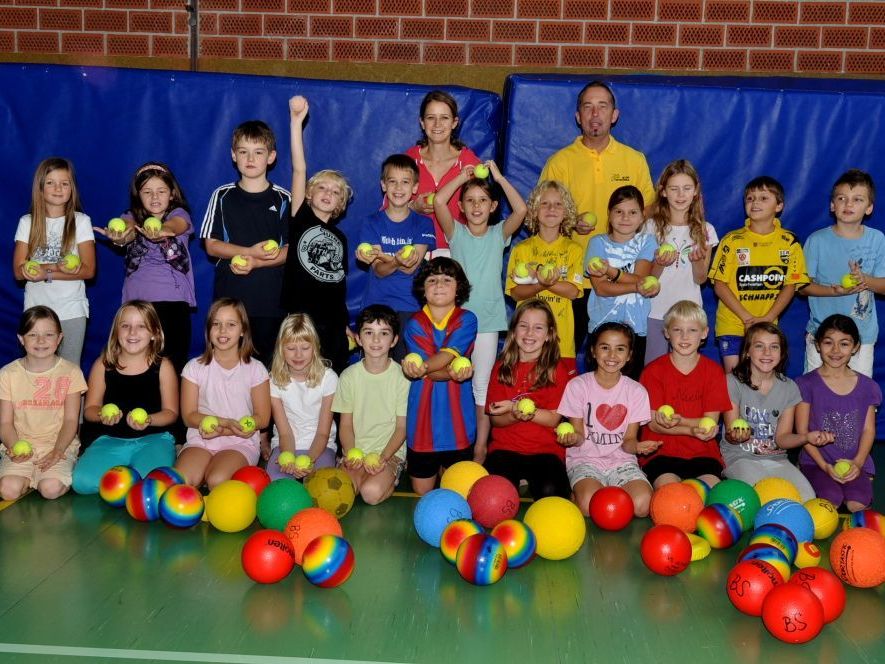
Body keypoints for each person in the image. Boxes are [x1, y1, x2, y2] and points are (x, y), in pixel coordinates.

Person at [539, 80, 655, 354]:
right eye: (587, 107)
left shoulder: (634, 159)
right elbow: (542, 212)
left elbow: (648, 208)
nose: (595, 114)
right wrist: (569, 222)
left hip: (623, 279)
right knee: (566, 353)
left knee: (620, 356)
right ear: (578, 116)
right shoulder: (560, 162)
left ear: (614, 115)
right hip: (573, 275)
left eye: (602, 106)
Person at [433, 160, 527, 462]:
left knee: (481, 386)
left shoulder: (499, 233)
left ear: (493, 205)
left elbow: (522, 210)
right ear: (460, 205)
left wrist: (498, 176)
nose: (476, 206)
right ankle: (448, 442)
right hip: (455, 322)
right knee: (446, 377)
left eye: (483, 201)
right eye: (470, 201)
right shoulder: (456, 233)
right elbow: (437, 200)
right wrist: (462, 176)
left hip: (486, 323)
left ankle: (480, 448)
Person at [200, 121, 290, 367]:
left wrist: (256, 263)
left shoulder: (284, 198)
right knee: (227, 369)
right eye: (243, 152)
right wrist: (248, 251)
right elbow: (211, 244)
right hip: (230, 304)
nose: (250, 158)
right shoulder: (222, 196)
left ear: (271, 157)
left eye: (258, 152)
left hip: (271, 303)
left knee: (267, 372)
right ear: (233, 155)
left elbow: (290, 251)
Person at [96, 162, 195, 373]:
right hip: (138, 305)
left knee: (172, 366)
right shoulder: (130, 216)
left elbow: (177, 225)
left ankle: (171, 407)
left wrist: (161, 230)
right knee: (139, 367)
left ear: (172, 193)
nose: (155, 197)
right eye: (147, 192)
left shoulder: (179, 213)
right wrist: (120, 237)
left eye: (161, 191)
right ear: (138, 195)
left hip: (173, 303)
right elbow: (128, 231)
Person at [73, 301, 179, 493]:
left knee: (155, 485)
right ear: (116, 332)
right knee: (82, 483)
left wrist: (149, 420)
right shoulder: (103, 364)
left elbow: (171, 412)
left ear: (154, 333)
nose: (132, 332)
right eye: (125, 326)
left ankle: (141, 473)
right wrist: (101, 415)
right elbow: (90, 409)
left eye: (141, 326)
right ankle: (124, 480)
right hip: (110, 439)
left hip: (154, 439)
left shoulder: (163, 367)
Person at [281, 95, 352, 374]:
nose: (328, 194)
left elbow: (338, 285)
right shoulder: (302, 218)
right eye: (322, 188)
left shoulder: (341, 240)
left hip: (332, 323)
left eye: (335, 192)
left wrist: (344, 322)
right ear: (309, 194)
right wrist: (296, 122)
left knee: (329, 382)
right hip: (302, 319)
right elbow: (300, 169)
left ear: (340, 205)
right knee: (299, 378)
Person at [708, 176, 809, 373]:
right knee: (736, 380)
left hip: (767, 326)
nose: (755, 202)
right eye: (750, 198)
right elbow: (719, 285)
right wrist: (747, 318)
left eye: (763, 198)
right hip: (733, 324)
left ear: (779, 206)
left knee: (763, 380)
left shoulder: (789, 242)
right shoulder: (732, 240)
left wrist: (768, 318)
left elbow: (791, 285)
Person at [558, 322, 658, 517]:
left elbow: (629, 442)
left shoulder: (636, 391)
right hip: (585, 460)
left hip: (622, 462)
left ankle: (609, 491)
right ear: (594, 351)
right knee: (589, 506)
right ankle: (579, 494)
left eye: (620, 349)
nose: (612, 356)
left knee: (643, 505)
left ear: (629, 355)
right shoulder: (577, 386)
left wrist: (637, 447)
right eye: (605, 348)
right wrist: (571, 438)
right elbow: (578, 435)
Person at [720, 322, 822, 502]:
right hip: (740, 458)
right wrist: (735, 435)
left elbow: (782, 438)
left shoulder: (789, 387)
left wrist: (805, 437)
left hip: (777, 460)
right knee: (768, 497)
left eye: (774, 347)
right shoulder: (732, 382)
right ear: (747, 352)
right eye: (759, 346)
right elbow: (730, 433)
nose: (767, 353)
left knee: (807, 499)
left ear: (781, 354)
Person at [176, 298, 271, 489]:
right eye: (216, 324)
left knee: (217, 480)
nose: (222, 331)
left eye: (231, 324)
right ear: (208, 329)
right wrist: (222, 423)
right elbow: (188, 416)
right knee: (183, 481)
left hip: (240, 442)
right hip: (201, 439)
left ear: (243, 330)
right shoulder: (194, 368)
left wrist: (225, 429)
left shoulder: (256, 369)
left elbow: (262, 418)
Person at [402, 258, 477, 495]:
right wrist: (451, 372)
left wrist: (422, 368)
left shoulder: (467, 319)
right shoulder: (414, 323)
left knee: (458, 493)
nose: (439, 284)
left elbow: (443, 357)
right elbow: (441, 367)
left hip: (458, 425)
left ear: (459, 288)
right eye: (432, 280)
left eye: (447, 279)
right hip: (422, 423)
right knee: (422, 494)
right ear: (423, 289)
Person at [800, 169, 885, 377]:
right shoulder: (816, 241)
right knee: (816, 396)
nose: (848, 204)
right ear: (832, 205)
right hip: (821, 335)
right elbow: (801, 287)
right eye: (842, 198)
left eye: (857, 199)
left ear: (869, 208)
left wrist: (864, 279)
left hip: (862, 337)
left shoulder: (877, 239)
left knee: (861, 396)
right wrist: (834, 292)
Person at [485, 300, 572, 499]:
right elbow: (495, 419)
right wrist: (514, 415)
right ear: (514, 331)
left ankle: (532, 481)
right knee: (495, 497)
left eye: (538, 327)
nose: (529, 333)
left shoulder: (557, 370)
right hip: (505, 449)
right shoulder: (501, 367)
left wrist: (518, 408)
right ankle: (518, 482)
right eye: (523, 326)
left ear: (549, 334)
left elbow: (552, 419)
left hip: (545, 451)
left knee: (552, 494)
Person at [639, 301, 731, 488]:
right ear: (666, 333)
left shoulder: (713, 372)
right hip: (660, 452)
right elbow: (654, 425)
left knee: (711, 494)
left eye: (692, 330)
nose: (684, 336)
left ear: (704, 333)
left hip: (703, 452)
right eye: (677, 330)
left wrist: (678, 421)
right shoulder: (653, 371)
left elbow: (710, 423)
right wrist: (690, 428)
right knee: (671, 494)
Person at [14, 157, 95, 366]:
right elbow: (18, 270)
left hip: (71, 310)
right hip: (36, 310)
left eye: (64, 183)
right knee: (40, 370)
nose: (58, 188)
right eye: (50, 182)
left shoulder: (81, 221)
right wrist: (54, 268)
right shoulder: (27, 222)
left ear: (71, 189)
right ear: (40, 188)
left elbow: (88, 270)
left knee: (69, 372)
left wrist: (46, 273)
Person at [0, 306, 86, 500]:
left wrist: (58, 450)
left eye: (49, 334)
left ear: (59, 338)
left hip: (57, 445)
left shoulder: (71, 372)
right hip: (21, 444)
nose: (41, 341)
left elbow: (71, 420)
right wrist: (14, 447)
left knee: (50, 489)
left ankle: (49, 474)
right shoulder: (7, 374)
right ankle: (28, 477)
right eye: (32, 335)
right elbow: (5, 423)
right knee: (8, 490)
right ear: (21, 339)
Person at [797, 314, 880, 512]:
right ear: (817, 345)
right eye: (828, 343)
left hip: (854, 463)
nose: (835, 351)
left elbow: (869, 430)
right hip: (816, 462)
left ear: (856, 347)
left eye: (844, 344)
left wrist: (858, 463)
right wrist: (824, 466)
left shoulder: (869, 386)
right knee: (830, 500)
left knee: (857, 503)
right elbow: (802, 432)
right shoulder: (805, 384)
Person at [356, 154, 435, 360]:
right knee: (374, 370)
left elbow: (411, 267)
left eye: (405, 182)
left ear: (415, 187)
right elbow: (379, 271)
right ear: (383, 185)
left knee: (406, 370)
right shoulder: (371, 222)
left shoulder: (423, 223)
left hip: (410, 308)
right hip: (376, 306)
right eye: (392, 182)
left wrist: (385, 257)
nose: (398, 188)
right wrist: (395, 261)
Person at [642, 160, 719, 364]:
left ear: (695, 191)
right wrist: (659, 262)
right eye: (674, 189)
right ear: (663, 191)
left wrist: (697, 261)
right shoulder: (650, 227)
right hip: (655, 311)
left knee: (685, 368)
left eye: (686, 188)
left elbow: (701, 278)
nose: (680, 195)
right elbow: (646, 279)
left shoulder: (706, 230)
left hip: (689, 312)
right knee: (653, 368)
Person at [333, 305, 409, 505]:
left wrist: (384, 458)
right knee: (345, 493)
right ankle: (360, 474)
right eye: (369, 332)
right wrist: (351, 454)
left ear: (394, 340)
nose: (376, 340)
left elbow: (402, 428)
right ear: (358, 338)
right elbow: (346, 425)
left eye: (383, 333)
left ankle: (391, 476)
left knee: (370, 493)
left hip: (388, 453)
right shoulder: (349, 376)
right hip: (357, 451)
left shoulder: (402, 377)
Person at [505, 181, 583, 372]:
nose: (551, 209)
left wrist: (541, 279)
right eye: (544, 204)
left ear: (566, 212)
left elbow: (573, 291)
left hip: (561, 343)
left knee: (560, 398)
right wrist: (543, 283)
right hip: (527, 341)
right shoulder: (522, 249)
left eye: (558, 204)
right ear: (534, 210)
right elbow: (515, 293)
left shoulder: (574, 249)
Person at [585, 186, 660, 378]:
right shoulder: (597, 242)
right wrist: (636, 286)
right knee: (597, 384)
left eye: (632, 212)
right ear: (609, 214)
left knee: (630, 387)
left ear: (643, 216)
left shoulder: (648, 241)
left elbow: (641, 277)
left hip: (635, 330)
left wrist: (611, 272)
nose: (625, 218)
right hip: (601, 326)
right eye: (619, 211)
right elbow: (601, 288)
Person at [405, 90, 482, 255]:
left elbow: (483, 212)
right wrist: (412, 207)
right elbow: (387, 211)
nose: (437, 124)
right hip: (413, 253)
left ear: (454, 123)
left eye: (444, 118)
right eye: (431, 118)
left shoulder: (470, 164)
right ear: (422, 122)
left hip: (458, 254)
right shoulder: (408, 160)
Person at [266, 313, 337, 481]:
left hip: (320, 446)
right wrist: (289, 458)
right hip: (286, 446)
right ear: (281, 349)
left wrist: (308, 460)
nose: (298, 355)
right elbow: (285, 433)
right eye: (291, 348)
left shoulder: (329, 378)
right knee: (278, 484)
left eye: (305, 348)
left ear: (315, 348)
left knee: (319, 486)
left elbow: (322, 433)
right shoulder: (274, 380)